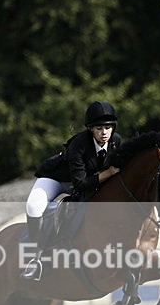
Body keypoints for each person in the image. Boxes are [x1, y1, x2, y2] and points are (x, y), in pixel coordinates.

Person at [21, 101, 123, 280]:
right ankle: (34, 256)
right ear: (91, 129)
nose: (104, 132)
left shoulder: (116, 141)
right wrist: (107, 173)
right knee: (33, 207)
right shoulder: (79, 143)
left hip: (86, 180)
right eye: (99, 128)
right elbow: (80, 183)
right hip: (57, 178)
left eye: (108, 127)